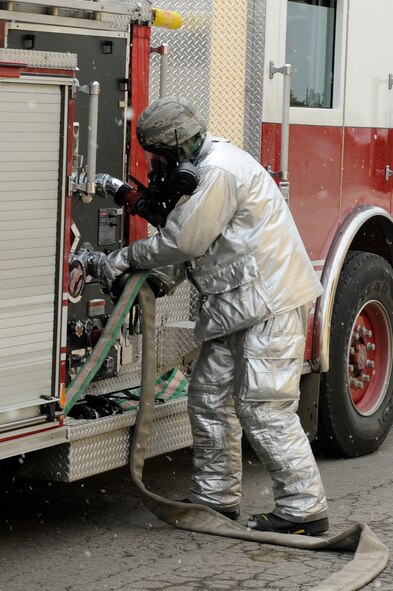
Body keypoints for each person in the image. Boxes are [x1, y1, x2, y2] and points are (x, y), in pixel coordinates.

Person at [99, 96, 329, 535]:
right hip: (237, 306)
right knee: (207, 398)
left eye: (158, 157)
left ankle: (304, 510)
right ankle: (216, 498)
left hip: (270, 304)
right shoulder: (204, 166)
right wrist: (152, 274)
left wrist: (126, 258)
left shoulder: (219, 170)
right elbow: (196, 241)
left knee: (264, 408)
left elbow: (185, 240)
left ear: (178, 149)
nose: (155, 166)